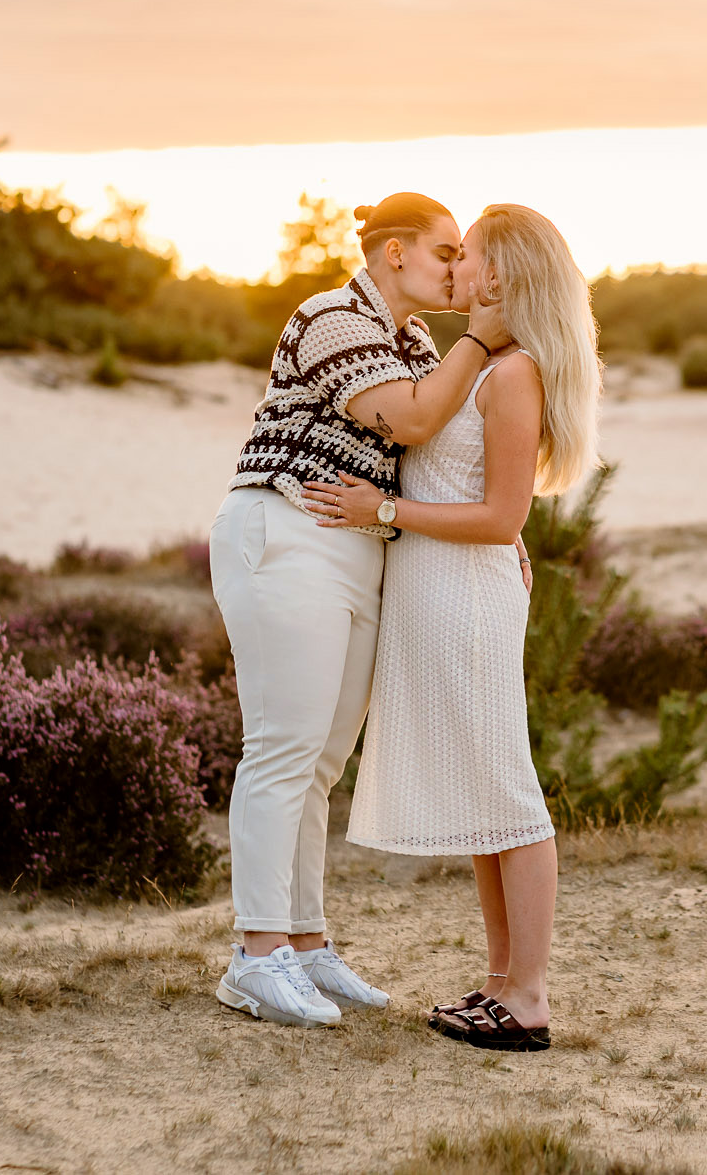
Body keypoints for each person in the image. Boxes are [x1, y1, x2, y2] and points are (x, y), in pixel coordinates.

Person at [208, 192, 513, 1029]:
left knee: (321, 761)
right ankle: (255, 956)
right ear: (393, 255)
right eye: (447, 252)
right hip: (286, 534)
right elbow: (412, 417)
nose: (462, 268)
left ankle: (304, 945)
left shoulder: (413, 339)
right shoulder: (333, 316)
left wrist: (500, 523)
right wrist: (485, 331)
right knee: (280, 749)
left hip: (357, 549)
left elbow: (418, 456)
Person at [305, 203, 602, 1052]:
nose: (454, 267)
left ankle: (531, 997)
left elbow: (504, 514)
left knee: (507, 789)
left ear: (499, 276)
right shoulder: (474, 364)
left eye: (466, 255)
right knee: (482, 797)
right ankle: (501, 980)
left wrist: (383, 508)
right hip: (439, 587)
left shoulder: (513, 376)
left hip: (468, 591)